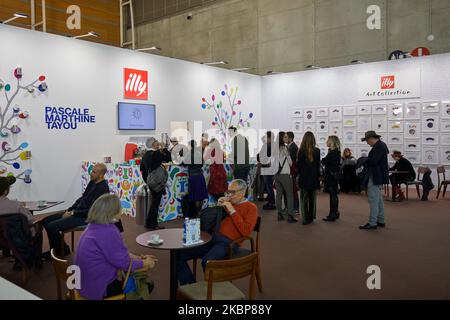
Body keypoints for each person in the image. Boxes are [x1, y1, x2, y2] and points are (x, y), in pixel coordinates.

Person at [75, 194, 157, 300]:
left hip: (83, 284)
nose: (121, 210)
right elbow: (125, 263)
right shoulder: (109, 231)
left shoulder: (92, 227)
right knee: (146, 284)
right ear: (112, 211)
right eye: (119, 207)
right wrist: (146, 263)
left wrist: (139, 258)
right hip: (98, 288)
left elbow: (117, 253)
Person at [177, 179, 258, 285]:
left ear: (242, 193)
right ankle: (191, 285)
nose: (229, 195)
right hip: (212, 238)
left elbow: (246, 232)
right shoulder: (228, 203)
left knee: (207, 261)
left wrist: (232, 211)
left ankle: (213, 291)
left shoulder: (251, 208)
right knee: (178, 254)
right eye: (228, 192)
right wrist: (218, 207)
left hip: (229, 243)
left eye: (232, 192)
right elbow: (211, 221)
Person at [42, 163, 110, 257]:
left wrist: (73, 213)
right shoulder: (92, 182)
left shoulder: (103, 189)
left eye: (94, 172)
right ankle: (62, 248)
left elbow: (92, 211)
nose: (91, 173)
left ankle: (58, 252)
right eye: (91, 171)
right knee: (45, 221)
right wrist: (70, 209)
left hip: (86, 217)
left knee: (51, 227)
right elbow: (82, 199)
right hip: (78, 212)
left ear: (101, 175)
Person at [0, 176, 42, 268]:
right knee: (39, 225)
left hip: (2, 239)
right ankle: (37, 260)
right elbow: (31, 220)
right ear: (6, 191)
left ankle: (7, 253)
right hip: (18, 239)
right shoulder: (16, 205)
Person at [360, 131, 389, 230]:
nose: (367, 143)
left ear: (371, 138)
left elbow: (373, 161)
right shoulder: (381, 146)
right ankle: (381, 220)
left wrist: (364, 160)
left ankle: (372, 223)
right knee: (378, 199)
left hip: (376, 175)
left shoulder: (379, 147)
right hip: (378, 175)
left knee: (373, 199)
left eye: (367, 140)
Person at [140, 137, 172, 230]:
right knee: (155, 203)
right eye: (156, 142)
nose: (158, 143)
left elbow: (142, 169)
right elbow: (169, 157)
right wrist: (164, 148)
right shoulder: (156, 154)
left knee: (154, 202)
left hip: (151, 182)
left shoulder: (146, 155)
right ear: (152, 144)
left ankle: (149, 223)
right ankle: (153, 224)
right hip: (157, 182)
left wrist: (148, 181)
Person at [297, 132, 321, 225]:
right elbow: (318, 165)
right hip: (314, 178)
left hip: (304, 178)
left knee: (304, 199)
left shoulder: (301, 151)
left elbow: (299, 166)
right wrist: (318, 176)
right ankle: (311, 217)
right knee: (312, 199)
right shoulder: (317, 151)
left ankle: (305, 218)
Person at [275, 132, 297, 223]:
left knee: (279, 195)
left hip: (276, 175)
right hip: (285, 175)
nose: (286, 138)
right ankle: (290, 216)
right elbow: (290, 162)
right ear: (281, 138)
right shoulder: (285, 149)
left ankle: (279, 214)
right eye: (285, 137)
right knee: (290, 195)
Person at [185, 140, 208, 217]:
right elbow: (202, 164)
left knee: (194, 195)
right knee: (200, 195)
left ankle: (195, 214)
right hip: (200, 175)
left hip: (192, 176)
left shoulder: (188, 154)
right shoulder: (198, 153)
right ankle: (199, 213)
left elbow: (184, 163)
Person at [321, 136, 342, 222]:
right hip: (333, 176)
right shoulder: (336, 151)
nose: (326, 141)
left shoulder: (333, 152)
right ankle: (335, 212)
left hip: (331, 176)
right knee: (334, 195)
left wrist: (324, 160)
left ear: (332, 142)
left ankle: (332, 214)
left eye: (328, 140)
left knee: (333, 195)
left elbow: (325, 161)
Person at [258, 131, 277, 210]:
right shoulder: (274, 145)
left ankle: (271, 203)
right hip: (271, 168)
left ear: (269, 138)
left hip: (267, 168)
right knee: (269, 186)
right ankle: (270, 201)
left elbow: (261, 156)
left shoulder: (267, 145)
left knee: (269, 186)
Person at [286, 132, 299, 212]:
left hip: (292, 171)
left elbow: (291, 160)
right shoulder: (288, 146)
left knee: (293, 190)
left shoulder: (293, 147)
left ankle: (296, 208)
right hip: (288, 170)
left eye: (286, 137)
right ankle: (290, 207)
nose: (284, 138)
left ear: (290, 138)